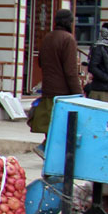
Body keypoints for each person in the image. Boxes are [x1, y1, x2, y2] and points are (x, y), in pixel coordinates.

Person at [31, 9, 83, 157]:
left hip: (48, 89)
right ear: (70, 23)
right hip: (63, 91)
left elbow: (40, 62)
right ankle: (46, 148)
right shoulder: (68, 39)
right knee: (62, 125)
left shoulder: (48, 37)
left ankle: (48, 150)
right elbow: (70, 71)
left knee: (52, 124)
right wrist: (78, 93)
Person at [86, 22, 108, 104]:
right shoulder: (98, 47)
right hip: (101, 91)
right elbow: (92, 67)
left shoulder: (107, 48)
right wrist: (107, 78)